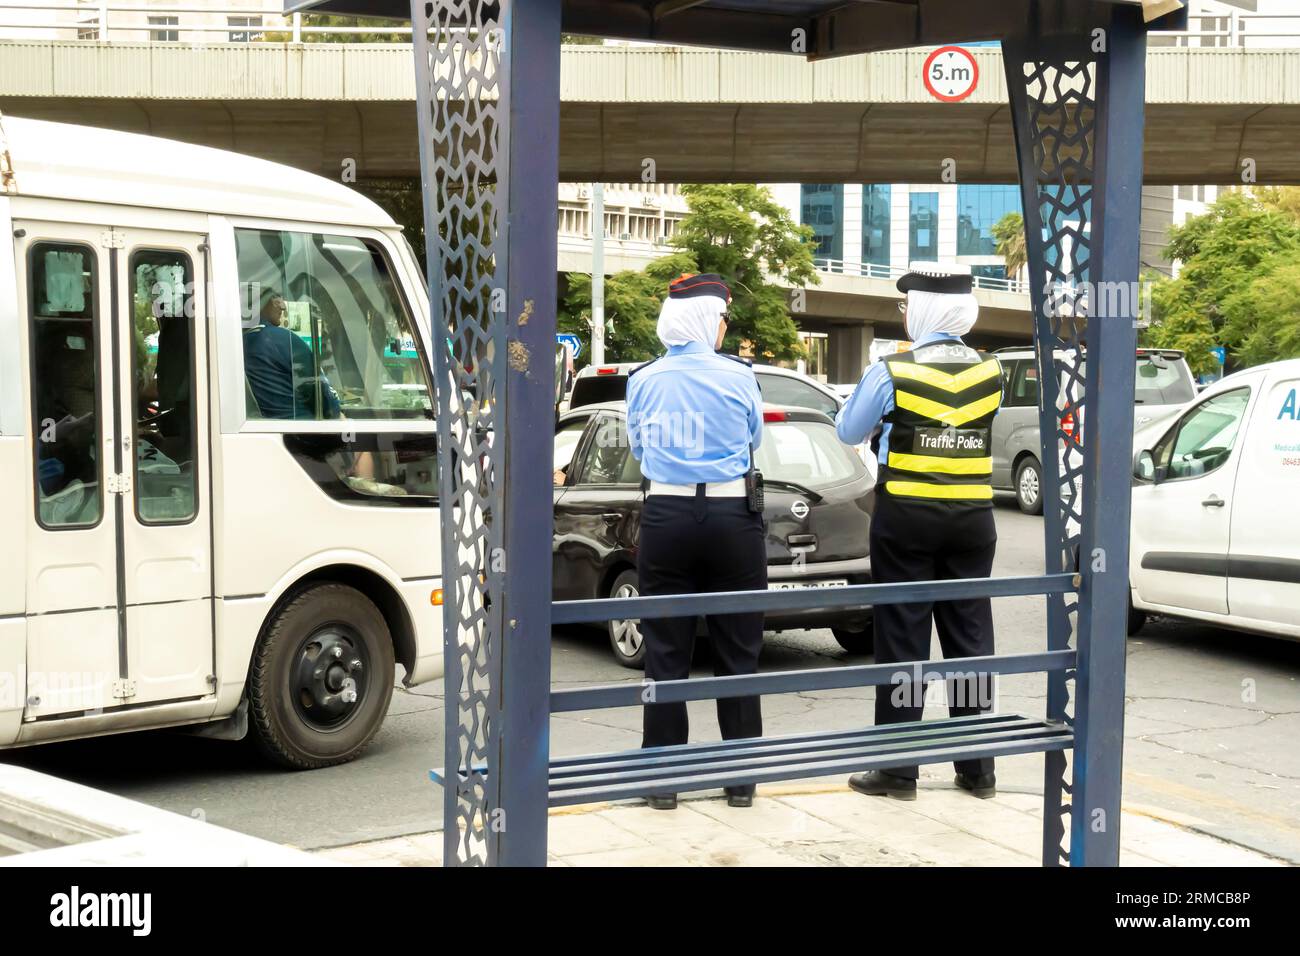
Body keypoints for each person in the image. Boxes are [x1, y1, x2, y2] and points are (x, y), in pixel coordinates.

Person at [835, 262, 1003, 802]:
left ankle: (898, 770)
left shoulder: (893, 371)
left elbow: (847, 429)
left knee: (904, 639)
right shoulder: (990, 372)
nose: (904, 316)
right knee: (970, 640)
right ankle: (978, 770)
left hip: (906, 517)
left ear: (926, 309)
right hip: (973, 520)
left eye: (908, 307)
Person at [626, 272, 766, 811]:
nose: (725, 329)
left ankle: (663, 780)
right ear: (708, 321)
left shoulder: (644, 378)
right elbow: (754, 439)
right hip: (734, 517)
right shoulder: (738, 377)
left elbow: (639, 447)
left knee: (666, 651)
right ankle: (740, 780)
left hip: (665, 514)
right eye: (723, 319)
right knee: (738, 650)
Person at [243, 289, 341, 420]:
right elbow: (323, 396)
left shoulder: (242, 342)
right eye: (275, 298)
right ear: (259, 303)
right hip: (302, 431)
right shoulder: (280, 338)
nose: (283, 306)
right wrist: (338, 413)